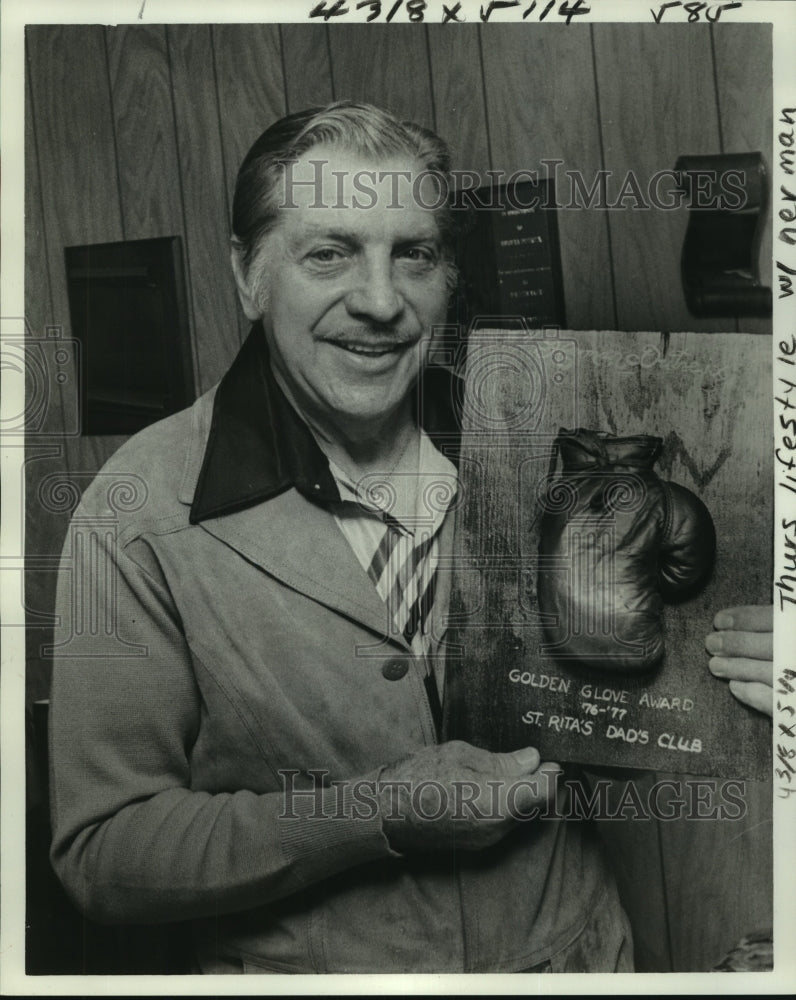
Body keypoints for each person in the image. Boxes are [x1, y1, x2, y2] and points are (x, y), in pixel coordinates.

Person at [48, 102, 774, 975]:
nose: (383, 302)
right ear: (248, 274)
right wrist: (376, 813)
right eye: (330, 252)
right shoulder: (135, 510)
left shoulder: (541, 440)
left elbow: (645, 680)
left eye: (414, 255)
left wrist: (756, 667)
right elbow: (104, 853)